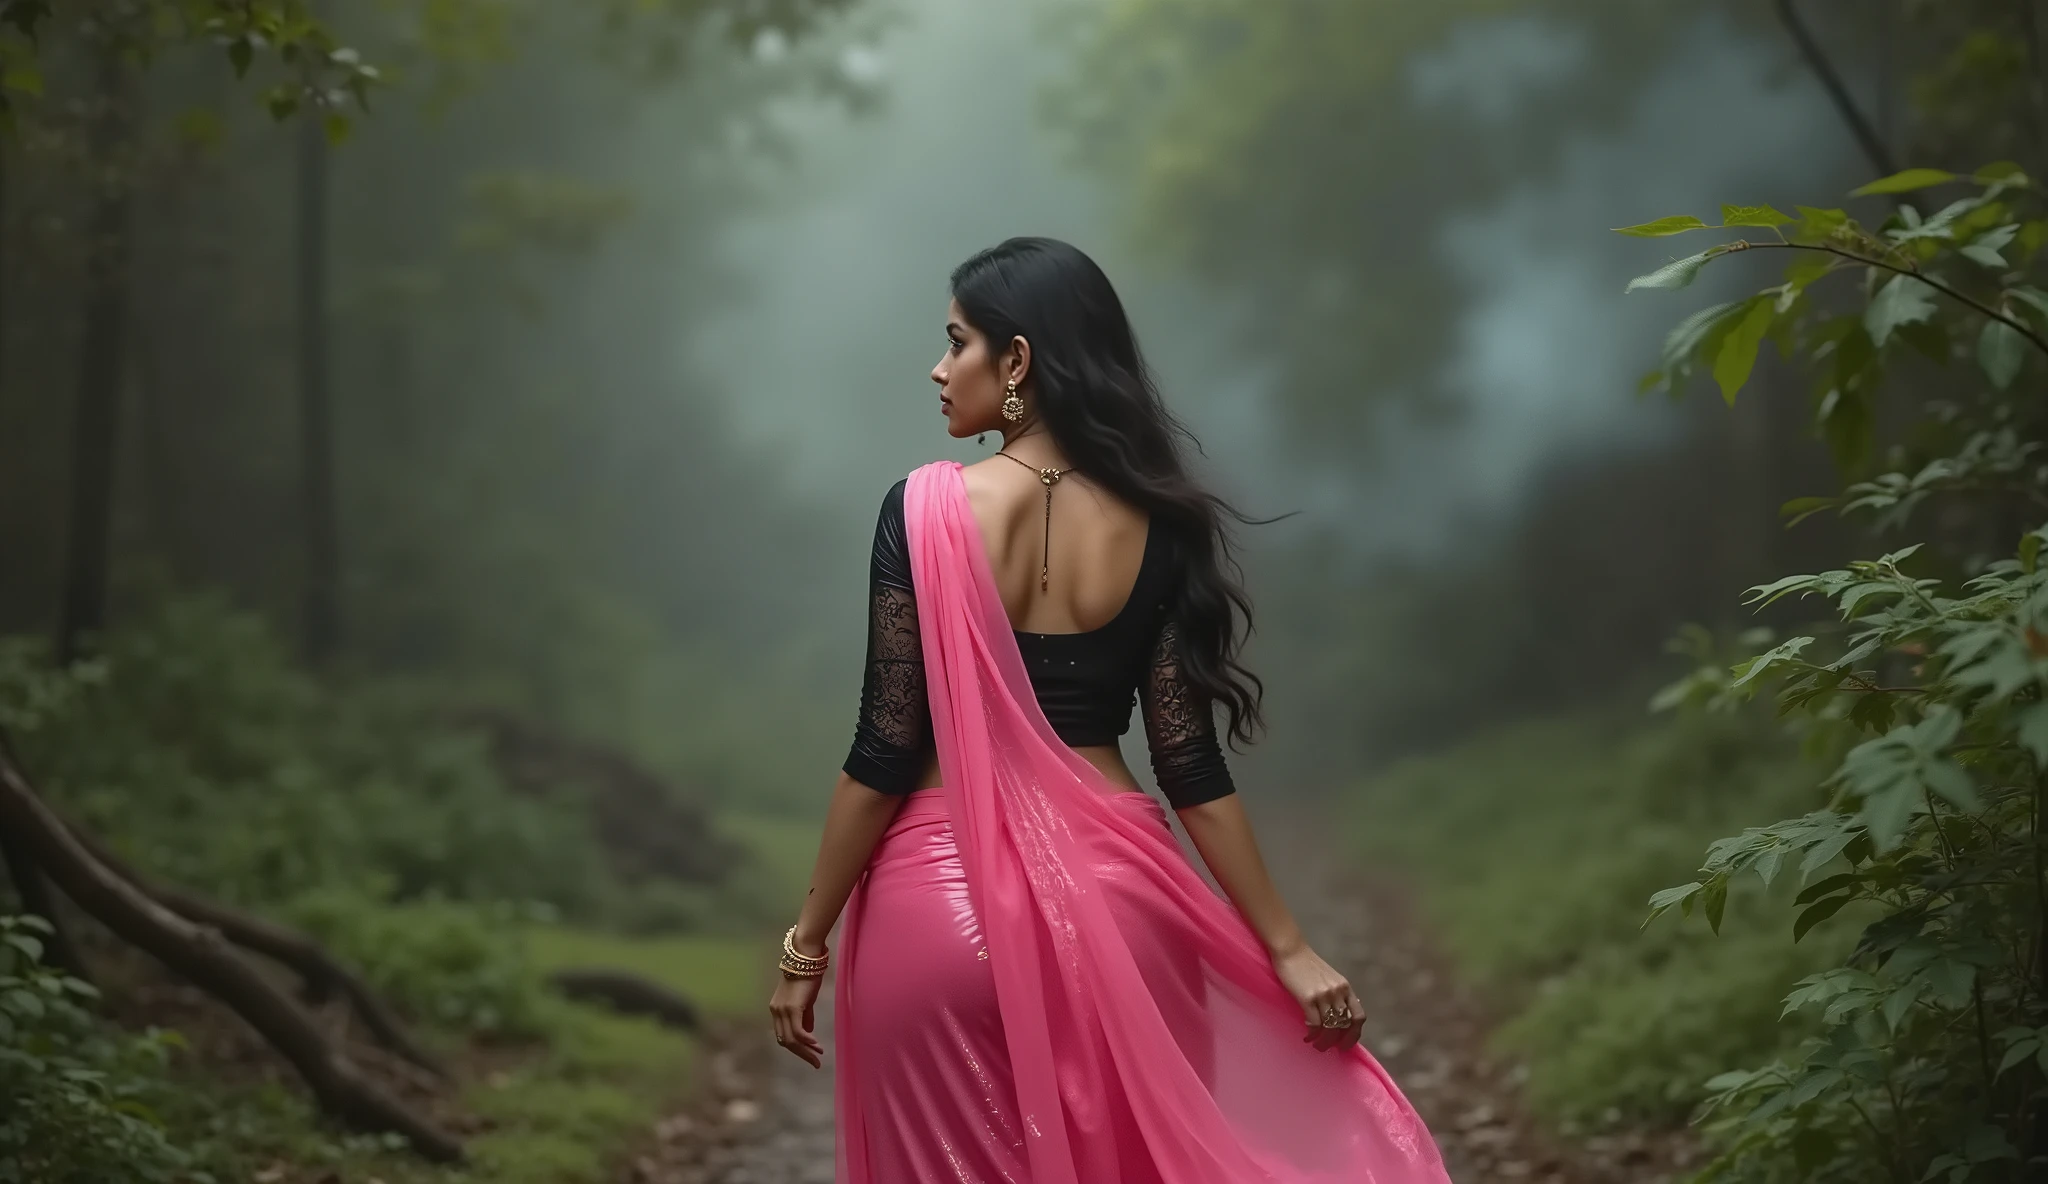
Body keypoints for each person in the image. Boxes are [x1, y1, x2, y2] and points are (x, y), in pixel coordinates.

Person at [768, 236, 1450, 1183]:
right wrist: (1290, 949)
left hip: (937, 913)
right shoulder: (1162, 525)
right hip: (1125, 915)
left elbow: (884, 749)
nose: (938, 368)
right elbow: (1189, 765)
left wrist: (807, 945)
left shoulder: (921, 512)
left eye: (957, 342)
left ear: (1016, 360)